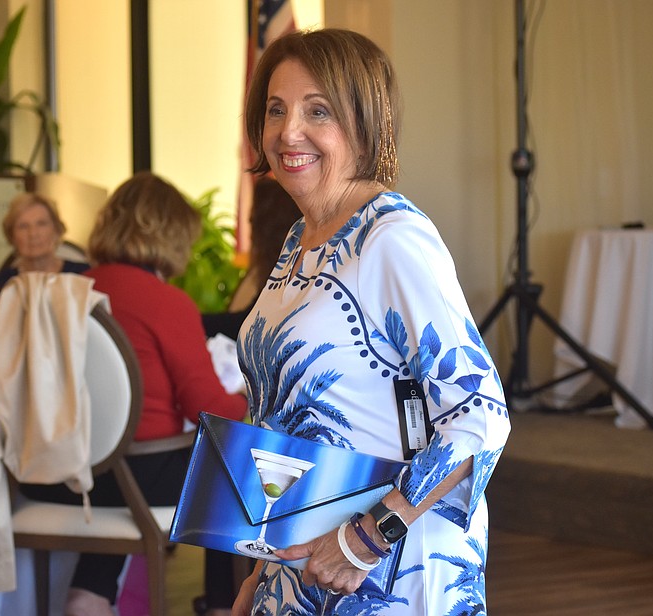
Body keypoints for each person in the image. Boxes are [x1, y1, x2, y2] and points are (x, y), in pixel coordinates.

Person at [231, 29, 511, 615]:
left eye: (318, 111)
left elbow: (479, 415)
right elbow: (283, 420)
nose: (288, 131)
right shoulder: (300, 239)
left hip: (387, 571)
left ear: (365, 122)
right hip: (300, 565)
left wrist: (366, 538)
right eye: (276, 109)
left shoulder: (391, 238)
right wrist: (261, 573)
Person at [19, 171, 249, 616]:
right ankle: (225, 608)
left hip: (56, 474)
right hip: (138, 481)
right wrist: (247, 396)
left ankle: (89, 594)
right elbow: (210, 410)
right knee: (231, 464)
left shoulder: (64, 293)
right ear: (173, 235)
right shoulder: (166, 303)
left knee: (111, 451)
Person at [202, 177, 301, 340]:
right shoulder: (275, 269)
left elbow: (246, 323)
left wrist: (193, 320)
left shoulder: (286, 271)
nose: (249, 223)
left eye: (254, 220)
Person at [0, 192, 88, 288]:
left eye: (41, 224)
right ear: (12, 235)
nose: (33, 234)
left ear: (56, 230)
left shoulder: (84, 276)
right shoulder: (0, 285)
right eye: (23, 226)